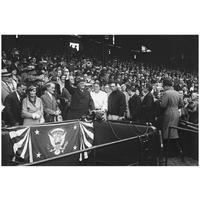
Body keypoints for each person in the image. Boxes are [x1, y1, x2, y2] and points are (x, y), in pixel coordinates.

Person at [160, 77, 184, 156]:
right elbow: (181, 104)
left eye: (163, 86)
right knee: (174, 131)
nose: (163, 88)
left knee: (167, 132)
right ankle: (177, 151)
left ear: (166, 86)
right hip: (176, 113)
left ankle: (168, 152)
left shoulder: (166, 93)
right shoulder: (177, 93)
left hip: (168, 113)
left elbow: (163, 105)